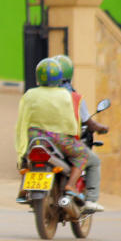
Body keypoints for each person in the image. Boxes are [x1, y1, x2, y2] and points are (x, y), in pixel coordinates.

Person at [14, 58, 91, 202]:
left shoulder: (29, 94)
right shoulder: (65, 95)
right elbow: (71, 122)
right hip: (59, 140)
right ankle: (71, 185)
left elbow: (22, 120)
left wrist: (22, 141)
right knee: (82, 154)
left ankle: (23, 186)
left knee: (26, 158)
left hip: (35, 137)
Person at [53, 54, 107, 212]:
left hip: (41, 139)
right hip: (64, 141)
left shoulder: (38, 94)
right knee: (93, 160)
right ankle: (90, 199)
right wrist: (101, 128)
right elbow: (88, 122)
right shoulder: (74, 97)